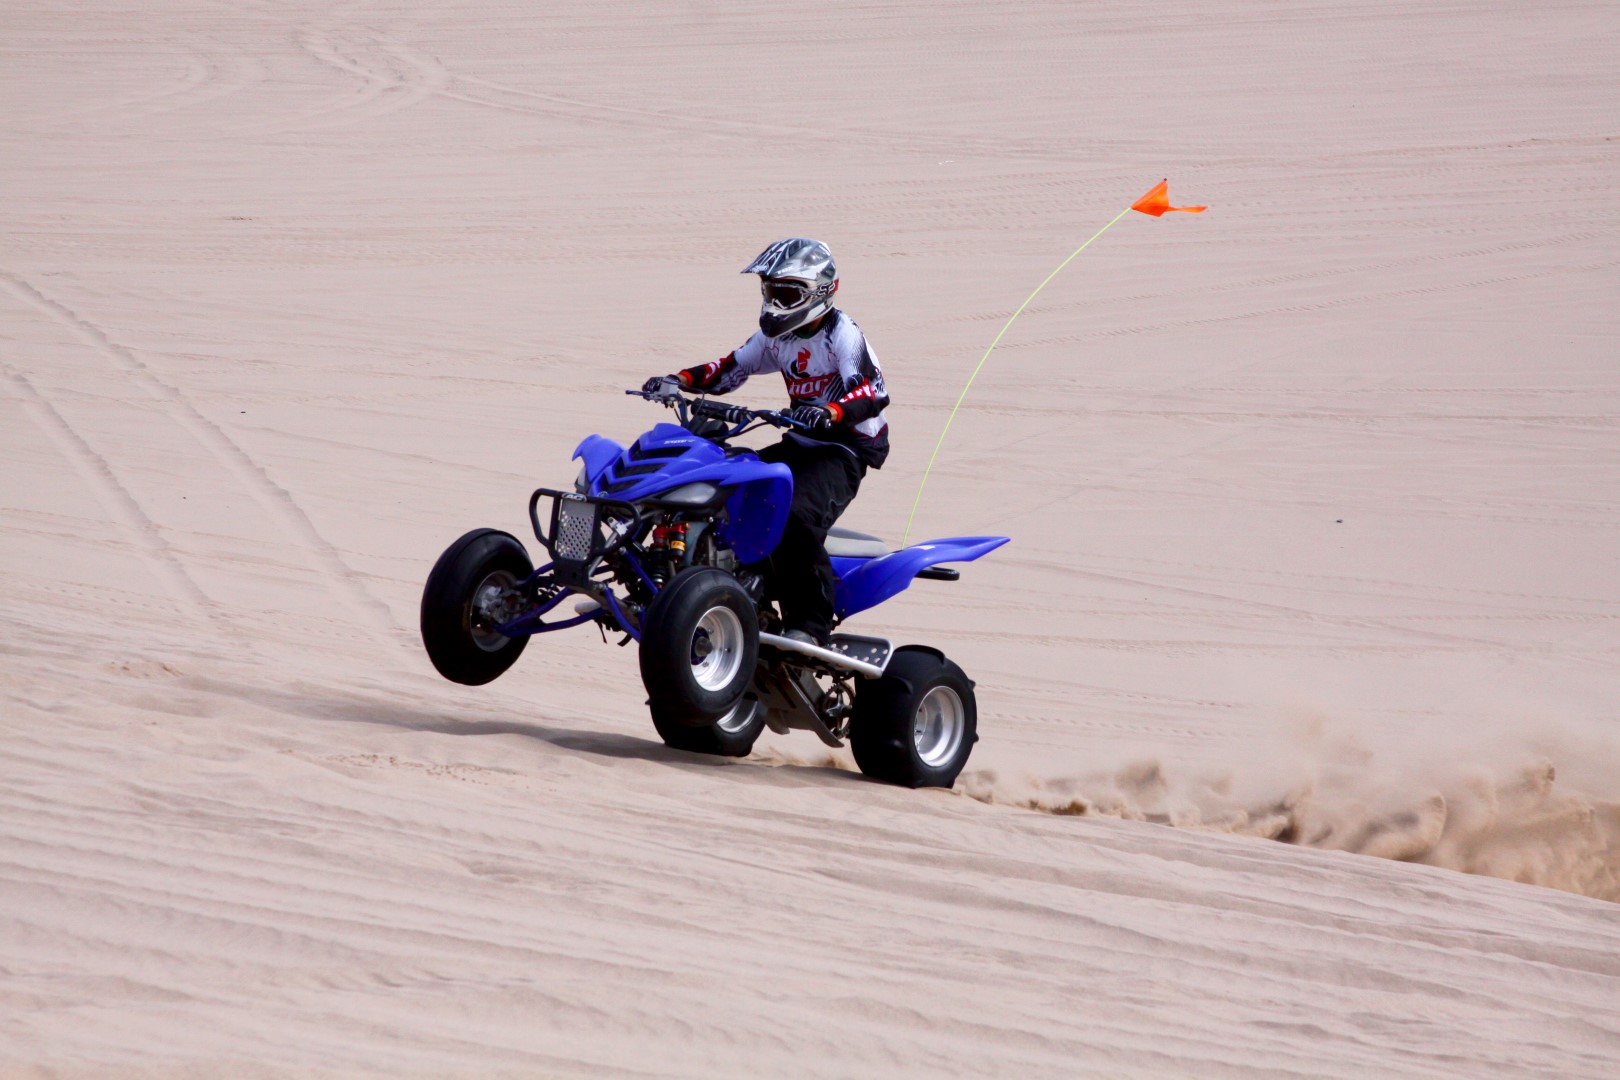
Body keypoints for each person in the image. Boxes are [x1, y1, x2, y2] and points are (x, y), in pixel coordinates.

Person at [643, 238, 890, 646]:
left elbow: (872, 392)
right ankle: (736, 589)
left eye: (786, 294)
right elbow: (731, 368)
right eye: (770, 291)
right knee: (729, 486)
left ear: (820, 292)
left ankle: (810, 623)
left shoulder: (842, 334)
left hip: (844, 449)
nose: (775, 303)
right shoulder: (778, 338)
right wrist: (678, 380)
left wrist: (830, 413)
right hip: (801, 440)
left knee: (794, 515)